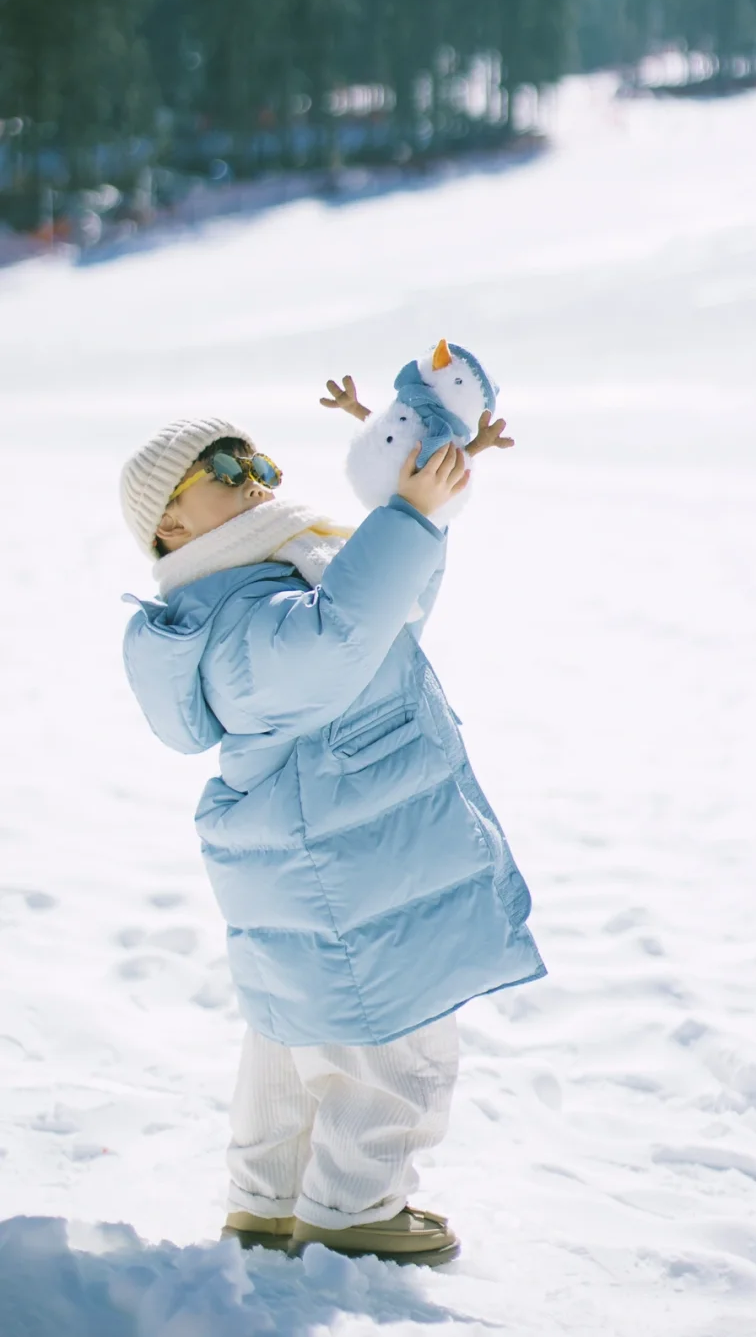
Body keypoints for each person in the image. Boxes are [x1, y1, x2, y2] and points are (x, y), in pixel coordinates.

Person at [118, 392, 545, 1264]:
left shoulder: (270, 578)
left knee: (292, 1042)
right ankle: (354, 1210)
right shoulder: (230, 616)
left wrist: (423, 511)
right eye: (228, 471)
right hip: (350, 863)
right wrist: (401, 522)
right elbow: (339, 637)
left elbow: (389, 609)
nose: (257, 482)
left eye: (260, 465)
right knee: (397, 1040)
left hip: (334, 855)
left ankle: (268, 1204)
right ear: (169, 522)